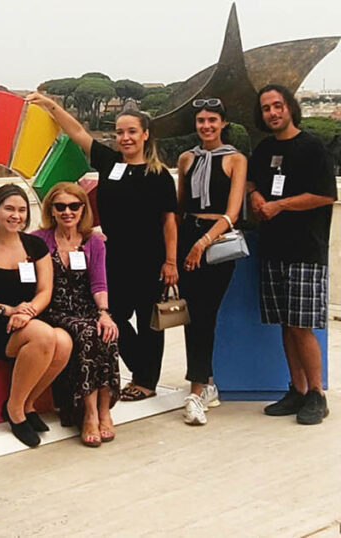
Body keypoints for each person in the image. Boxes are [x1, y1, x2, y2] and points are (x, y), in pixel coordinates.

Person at [27, 92, 178, 402]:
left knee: (151, 325)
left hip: (151, 259)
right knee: (111, 317)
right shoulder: (110, 163)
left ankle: (146, 382)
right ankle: (140, 369)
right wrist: (51, 106)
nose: (125, 138)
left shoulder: (160, 175)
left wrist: (171, 261)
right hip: (113, 258)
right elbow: (79, 133)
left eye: (132, 131)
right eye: (120, 132)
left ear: (145, 134)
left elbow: (169, 222)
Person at [0, 184, 72, 448]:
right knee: (43, 335)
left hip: (28, 317)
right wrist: (7, 310)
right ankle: (15, 409)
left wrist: (28, 311)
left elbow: (45, 289)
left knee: (63, 340)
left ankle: (29, 403)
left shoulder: (35, 245)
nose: (16, 215)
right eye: (9, 208)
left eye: (21, 210)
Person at [247, 84, 336, 425]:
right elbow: (253, 182)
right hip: (273, 250)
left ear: (290, 108)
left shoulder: (312, 146)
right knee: (286, 324)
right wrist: (255, 198)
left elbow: (326, 195)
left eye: (277, 105)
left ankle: (317, 394)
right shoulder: (265, 148)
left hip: (306, 250)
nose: (272, 112)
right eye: (267, 108)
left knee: (302, 326)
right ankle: (296, 390)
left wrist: (280, 204)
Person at [175, 98, 248, 426]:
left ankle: (196, 389)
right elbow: (179, 207)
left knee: (206, 313)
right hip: (188, 234)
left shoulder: (235, 159)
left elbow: (232, 213)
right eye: (201, 121)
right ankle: (206, 384)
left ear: (223, 124)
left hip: (216, 239)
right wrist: (177, 249)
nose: (206, 126)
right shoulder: (186, 158)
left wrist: (202, 243)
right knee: (193, 315)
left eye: (212, 120)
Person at [31, 183, 121, 446]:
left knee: (108, 333)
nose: (67, 212)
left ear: (83, 209)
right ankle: (90, 414)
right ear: (52, 210)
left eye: (74, 206)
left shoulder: (94, 241)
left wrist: (104, 313)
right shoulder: (39, 240)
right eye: (60, 207)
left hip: (87, 308)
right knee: (88, 333)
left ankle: (105, 411)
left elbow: (99, 283)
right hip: (56, 310)